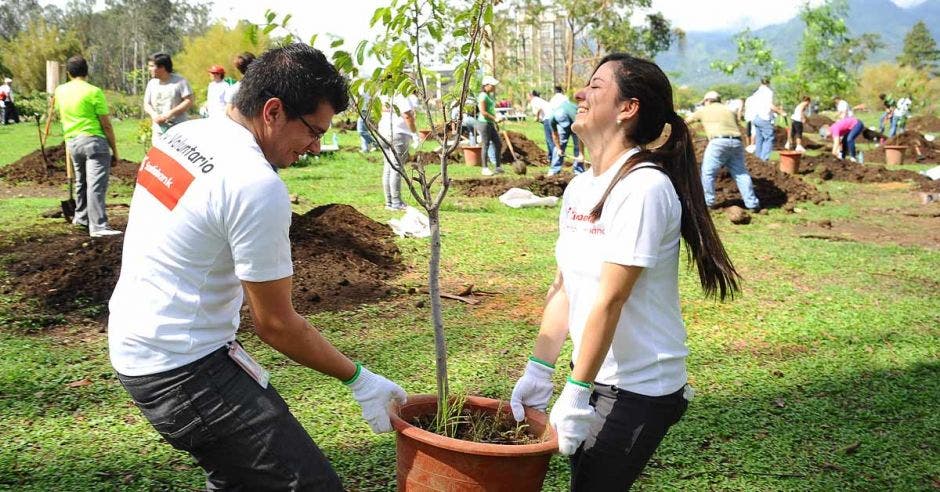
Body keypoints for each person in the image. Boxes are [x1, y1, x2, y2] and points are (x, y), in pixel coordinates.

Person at [108, 44, 407, 490]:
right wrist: (360, 380)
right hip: (182, 368)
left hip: (141, 340)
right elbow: (275, 324)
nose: (316, 147)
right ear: (272, 111)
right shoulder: (255, 185)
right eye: (312, 130)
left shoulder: (185, 136)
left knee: (239, 478)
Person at [510, 53, 740, 491]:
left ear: (627, 107)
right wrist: (540, 369)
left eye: (596, 86)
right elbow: (564, 288)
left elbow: (609, 299)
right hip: (598, 374)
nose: (581, 93)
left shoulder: (644, 187)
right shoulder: (580, 186)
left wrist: (575, 390)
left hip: (640, 388)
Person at [54, 55, 121, 237]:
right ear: (87, 71)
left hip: (73, 142)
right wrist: (114, 150)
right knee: (96, 185)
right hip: (93, 142)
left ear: (68, 73)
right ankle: (98, 226)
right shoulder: (94, 91)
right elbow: (106, 124)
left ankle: (81, 218)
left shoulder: (60, 91)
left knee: (81, 182)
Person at [686, 90, 760, 211]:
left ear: (707, 101)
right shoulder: (728, 110)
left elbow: (685, 122)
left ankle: (708, 202)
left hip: (718, 143)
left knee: (708, 172)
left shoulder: (704, 110)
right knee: (741, 173)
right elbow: (736, 125)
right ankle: (752, 204)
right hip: (736, 142)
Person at [377, 90, 417, 211]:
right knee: (396, 168)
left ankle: (389, 202)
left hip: (383, 132)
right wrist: (414, 133)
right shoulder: (401, 95)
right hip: (398, 134)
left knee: (388, 167)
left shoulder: (383, 93)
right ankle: (396, 203)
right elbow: (407, 115)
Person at [143, 52, 194, 144]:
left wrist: (169, 114)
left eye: (151, 66)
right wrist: (154, 115)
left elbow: (189, 100)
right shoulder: (152, 83)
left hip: (178, 129)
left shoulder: (180, 81)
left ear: (162, 67)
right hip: (158, 130)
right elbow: (146, 104)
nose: (149, 69)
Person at [548, 91, 584, 175]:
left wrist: (581, 154)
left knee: (577, 146)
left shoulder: (574, 114)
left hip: (575, 123)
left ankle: (578, 171)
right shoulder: (552, 118)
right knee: (560, 145)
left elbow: (580, 137)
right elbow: (555, 135)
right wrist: (559, 148)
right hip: (565, 120)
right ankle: (554, 170)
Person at [749, 77, 785, 161]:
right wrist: (781, 112)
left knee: (759, 139)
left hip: (755, 117)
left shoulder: (757, 92)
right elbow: (770, 105)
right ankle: (764, 159)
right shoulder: (768, 92)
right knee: (769, 138)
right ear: (769, 82)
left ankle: (758, 159)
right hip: (764, 117)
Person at [475, 75, 503, 176]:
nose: (494, 87)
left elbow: (490, 110)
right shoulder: (482, 96)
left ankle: (498, 167)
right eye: (492, 85)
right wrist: (495, 118)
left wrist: (496, 117)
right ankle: (484, 168)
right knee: (486, 145)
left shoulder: (488, 96)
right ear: (486, 85)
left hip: (490, 123)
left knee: (498, 143)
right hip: (484, 123)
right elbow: (483, 112)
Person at [528, 90, 554, 160]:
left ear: (531, 95)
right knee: (550, 139)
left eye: (527, 95)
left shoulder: (534, 100)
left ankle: (554, 158)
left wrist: (536, 116)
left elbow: (539, 108)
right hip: (552, 118)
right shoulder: (540, 100)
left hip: (548, 119)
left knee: (549, 140)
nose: (527, 97)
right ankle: (551, 157)